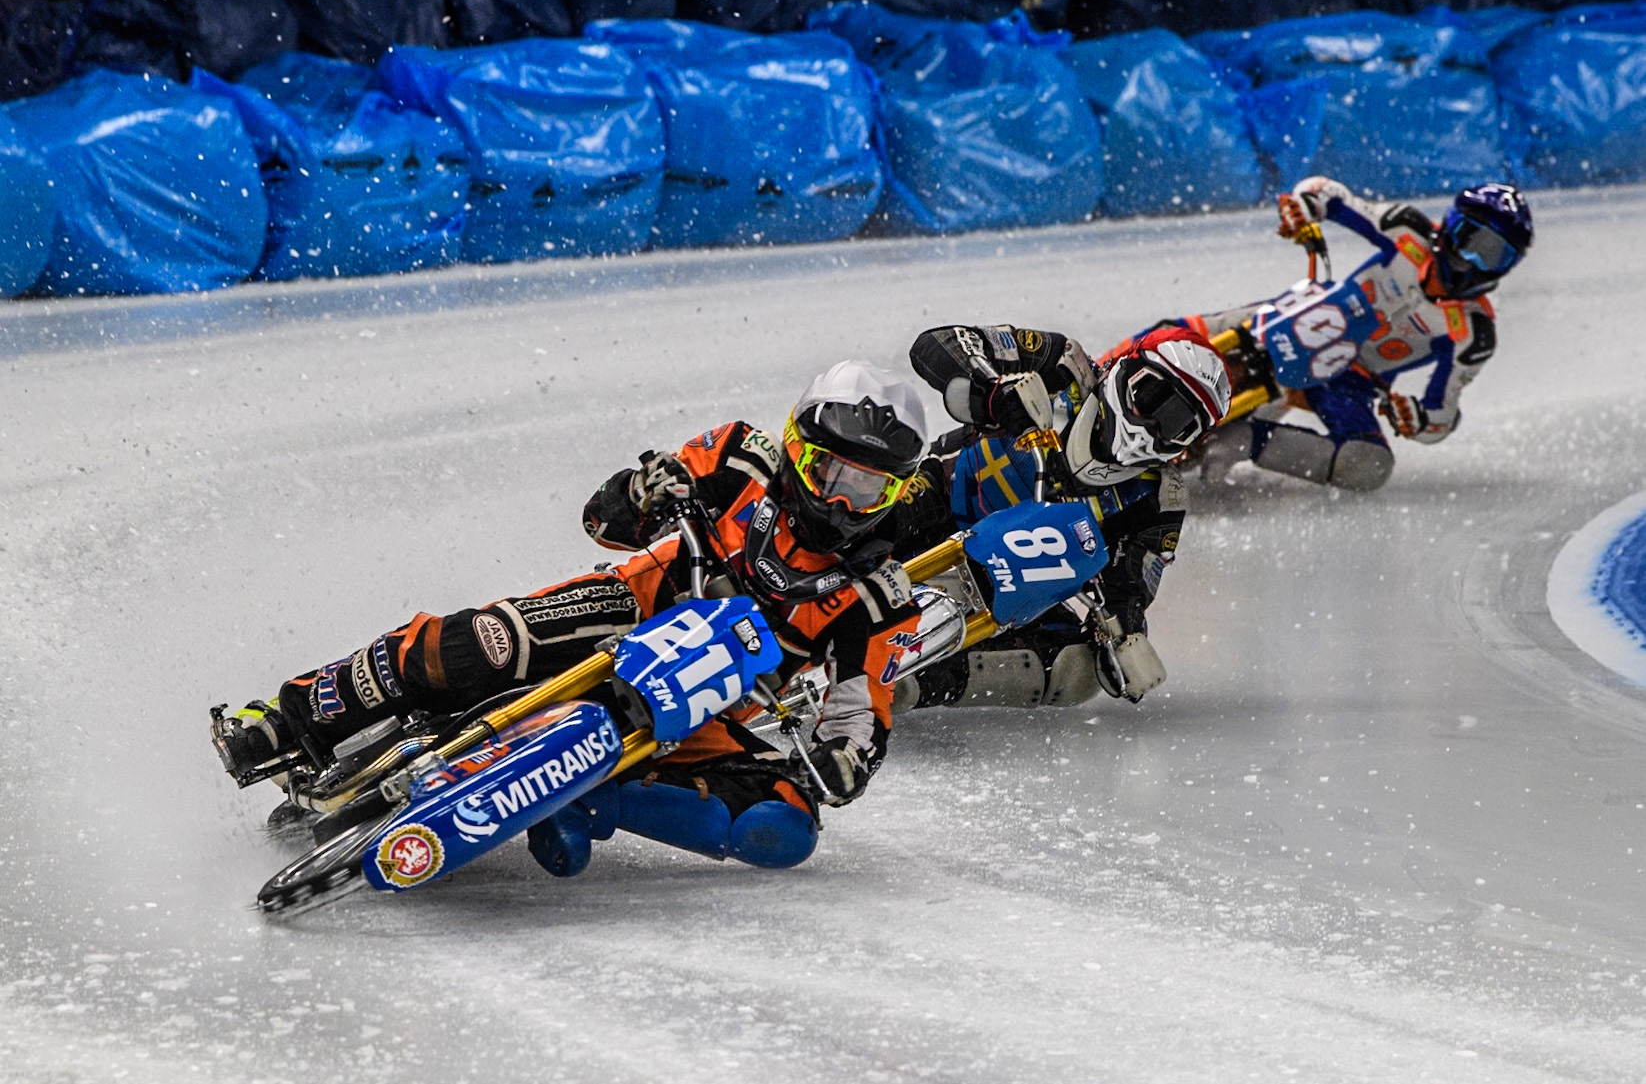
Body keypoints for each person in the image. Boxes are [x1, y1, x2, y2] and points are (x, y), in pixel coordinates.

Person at [213, 361, 929, 877]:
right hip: (625, 609)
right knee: (479, 644)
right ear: (796, 449)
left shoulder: (880, 594)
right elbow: (605, 518)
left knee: (785, 820)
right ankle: (293, 714)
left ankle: (589, 792)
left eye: (867, 488)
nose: (839, 501)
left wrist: (842, 758)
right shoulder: (741, 456)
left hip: (696, 704)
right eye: (829, 472)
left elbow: (861, 712)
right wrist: (646, 489)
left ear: (893, 494)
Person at [884, 322, 1231, 712]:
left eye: (1177, 425)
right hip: (940, 499)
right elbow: (936, 344)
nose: (1151, 427)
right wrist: (993, 390)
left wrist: (1125, 638)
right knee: (883, 501)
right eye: (1151, 397)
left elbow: (1129, 590)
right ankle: (816, 571)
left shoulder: (1159, 500)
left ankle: (911, 684)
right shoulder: (1060, 362)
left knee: (1076, 670)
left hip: (1004, 595)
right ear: (1129, 370)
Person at [1178, 177, 1533, 491]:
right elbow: (1328, 192)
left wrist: (1416, 417)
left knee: (1368, 463)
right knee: (1199, 333)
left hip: (1349, 380)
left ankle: (1244, 439)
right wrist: (1305, 207)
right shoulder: (1407, 229)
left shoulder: (1474, 332)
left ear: (1507, 267)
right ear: (1449, 225)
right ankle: (1134, 355)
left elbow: (1442, 415)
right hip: (1308, 317)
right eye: (1468, 238)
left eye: (1491, 255)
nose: (1470, 260)